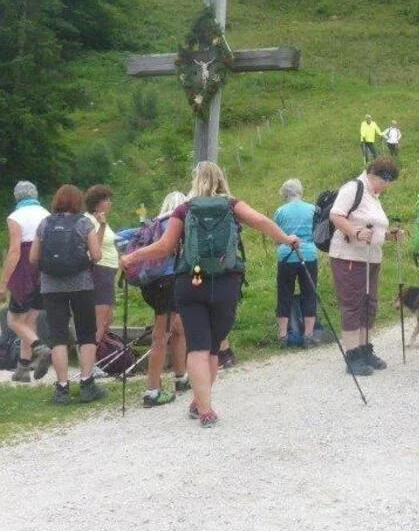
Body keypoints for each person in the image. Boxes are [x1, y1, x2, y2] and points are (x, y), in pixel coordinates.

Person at [120, 162, 299, 427]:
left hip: (192, 282)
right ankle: (200, 402)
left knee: (198, 348)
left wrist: (133, 256)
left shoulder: (184, 209)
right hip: (226, 283)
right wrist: (287, 239)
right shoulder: (231, 205)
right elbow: (261, 221)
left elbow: (165, 247)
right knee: (213, 348)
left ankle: (204, 410)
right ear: (221, 180)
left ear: (196, 182)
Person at [29, 184, 107, 405]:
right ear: (78, 202)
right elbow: (97, 255)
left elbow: (33, 258)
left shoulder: (45, 224)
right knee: (86, 335)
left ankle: (62, 389)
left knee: (59, 337)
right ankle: (86, 384)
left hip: (51, 287)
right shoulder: (84, 223)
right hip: (81, 285)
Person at [329, 156, 404, 377]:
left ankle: (365, 349)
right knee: (353, 305)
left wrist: (390, 235)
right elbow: (336, 215)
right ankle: (352, 355)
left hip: (371, 257)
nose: (388, 187)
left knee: (369, 304)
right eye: (388, 182)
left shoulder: (374, 195)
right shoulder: (354, 188)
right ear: (380, 177)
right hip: (350, 256)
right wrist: (356, 232)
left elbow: (373, 225)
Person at [0, 181, 53, 382]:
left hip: (24, 270)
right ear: (35, 195)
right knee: (29, 321)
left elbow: (14, 250)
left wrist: (3, 282)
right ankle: (23, 368)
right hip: (44, 270)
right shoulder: (46, 214)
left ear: (16, 197)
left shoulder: (16, 217)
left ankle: (40, 348)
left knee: (13, 321)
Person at [139, 192, 190, 408]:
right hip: (168, 283)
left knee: (178, 330)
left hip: (149, 284)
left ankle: (181, 378)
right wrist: (197, 280)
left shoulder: (154, 224)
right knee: (161, 337)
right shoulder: (179, 223)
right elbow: (189, 256)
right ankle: (152, 392)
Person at [274, 179, 320, 348]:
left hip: (286, 256)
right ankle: (308, 335)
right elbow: (316, 233)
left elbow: (277, 237)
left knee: (284, 293)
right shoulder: (312, 209)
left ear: (284, 193)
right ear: (300, 191)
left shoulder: (280, 211)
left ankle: (283, 335)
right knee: (309, 293)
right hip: (308, 255)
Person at [83, 184, 118, 349]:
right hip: (100, 270)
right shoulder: (91, 221)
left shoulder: (101, 219)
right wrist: (102, 225)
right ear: (97, 203)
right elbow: (94, 247)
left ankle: (101, 353)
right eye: (106, 200)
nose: (110, 203)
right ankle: (93, 357)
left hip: (108, 271)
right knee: (101, 318)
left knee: (108, 317)